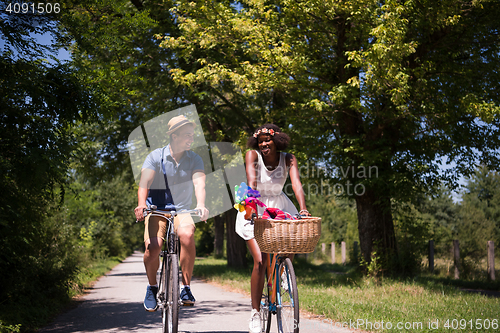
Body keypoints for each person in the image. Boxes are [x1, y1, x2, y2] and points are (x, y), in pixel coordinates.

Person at [235, 124, 311, 333]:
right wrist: (253, 209)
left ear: (277, 141)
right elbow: (252, 182)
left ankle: (283, 273)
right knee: (260, 261)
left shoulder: (288, 158)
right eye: (260, 142)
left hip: (278, 204)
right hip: (254, 205)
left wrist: (303, 209)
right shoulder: (252, 155)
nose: (264, 144)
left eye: (267, 140)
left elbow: (296, 183)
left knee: (292, 235)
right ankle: (255, 313)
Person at [134, 115, 209, 312]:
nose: (191, 139)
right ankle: (152, 287)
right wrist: (141, 204)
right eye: (187, 135)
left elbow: (199, 182)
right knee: (154, 247)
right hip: (156, 209)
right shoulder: (155, 157)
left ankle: (185, 287)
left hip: (182, 210)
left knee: (187, 234)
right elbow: (144, 183)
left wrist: (201, 203)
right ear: (174, 135)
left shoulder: (195, 158)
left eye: (192, 135)